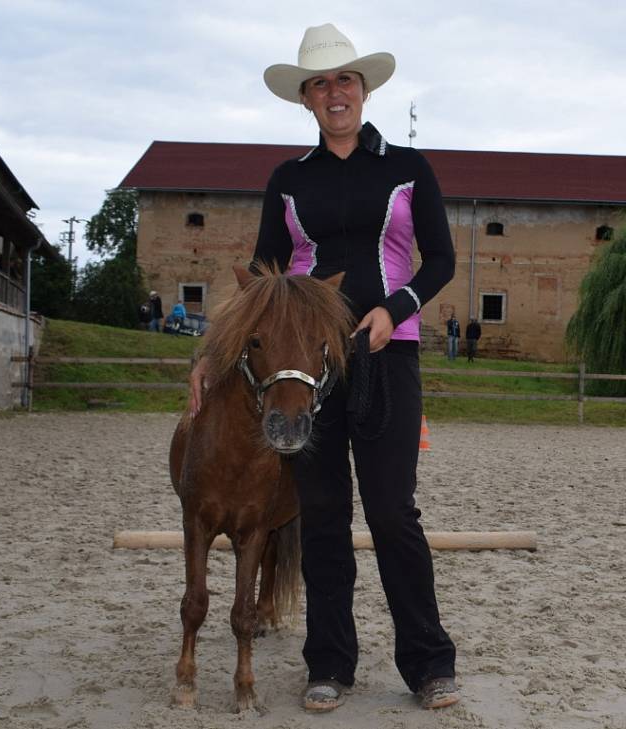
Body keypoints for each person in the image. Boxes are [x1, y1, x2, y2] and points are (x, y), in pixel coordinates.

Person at [189, 23, 458, 712]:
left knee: (394, 512)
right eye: (320, 84)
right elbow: (259, 281)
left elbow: (443, 260)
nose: (334, 92)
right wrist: (209, 355)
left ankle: (428, 663)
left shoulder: (408, 168)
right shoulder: (287, 181)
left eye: (344, 80)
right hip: (304, 369)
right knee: (323, 513)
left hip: (385, 354)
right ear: (305, 99)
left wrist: (394, 308)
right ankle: (330, 662)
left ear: (362, 90)